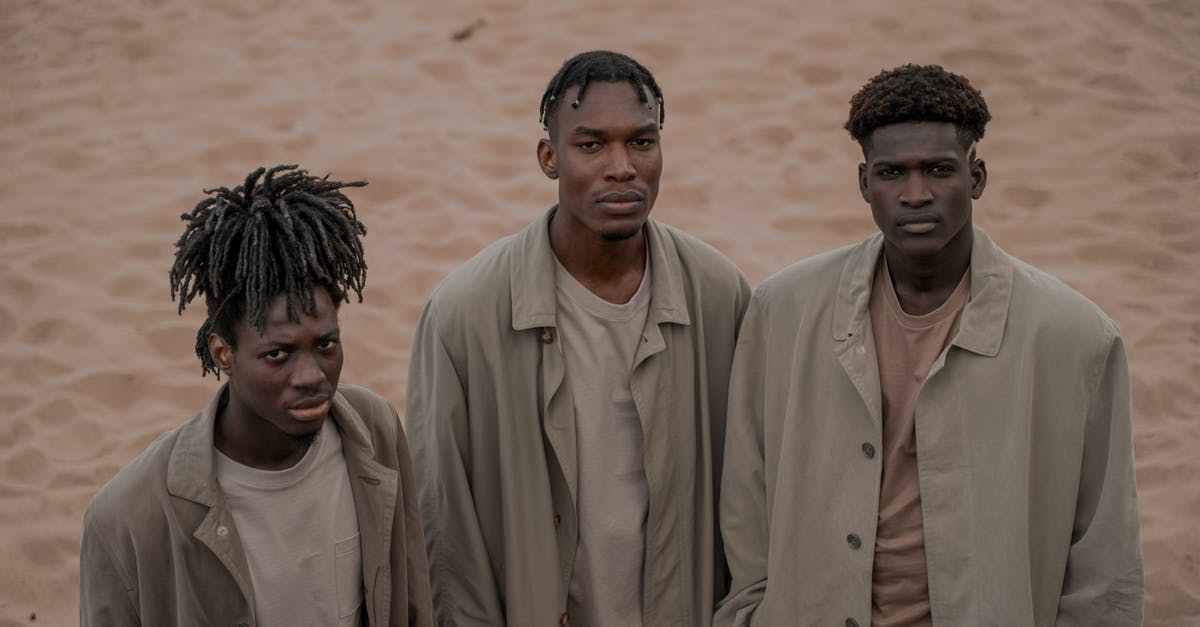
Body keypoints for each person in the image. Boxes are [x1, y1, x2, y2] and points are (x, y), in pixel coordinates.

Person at [715, 64, 1143, 627]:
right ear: (865, 183)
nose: (915, 194)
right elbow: (745, 492)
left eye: (939, 170)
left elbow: (1104, 550)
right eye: (892, 173)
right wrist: (753, 610)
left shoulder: (1075, 337)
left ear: (977, 177)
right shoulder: (784, 310)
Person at [405, 50, 751, 626]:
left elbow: (751, 500)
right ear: (549, 157)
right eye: (591, 145)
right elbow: (444, 529)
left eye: (642, 142)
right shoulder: (463, 314)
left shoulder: (720, 297)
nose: (622, 167)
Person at [79, 165, 434, 626]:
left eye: (325, 345)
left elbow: (412, 601)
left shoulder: (374, 430)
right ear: (223, 353)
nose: (310, 376)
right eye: (277, 354)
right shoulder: (126, 519)